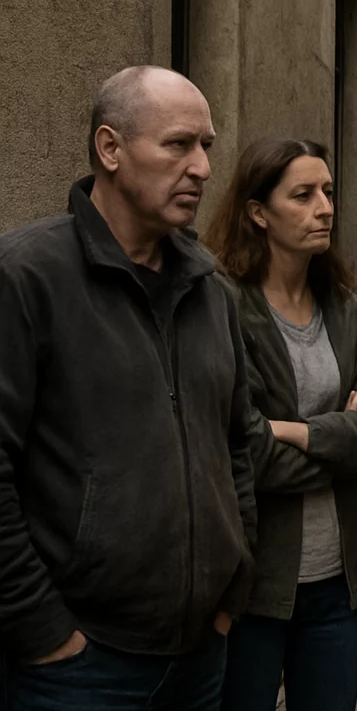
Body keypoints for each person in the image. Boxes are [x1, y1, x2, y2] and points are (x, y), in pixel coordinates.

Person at [0, 66, 260, 709]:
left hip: (200, 658)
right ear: (110, 149)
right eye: (179, 145)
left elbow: (235, 446)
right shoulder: (27, 277)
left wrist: (231, 591)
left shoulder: (212, 291)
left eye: (206, 146)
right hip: (77, 670)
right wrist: (41, 631)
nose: (203, 168)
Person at [207, 136, 357, 711]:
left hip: (343, 584)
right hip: (255, 584)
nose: (325, 207)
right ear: (258, 213)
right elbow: (246, 451)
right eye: (303, 195)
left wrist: (301, 431)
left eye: (328, 191)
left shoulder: (343, 308)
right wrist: (348, 443)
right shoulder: (225, 307)